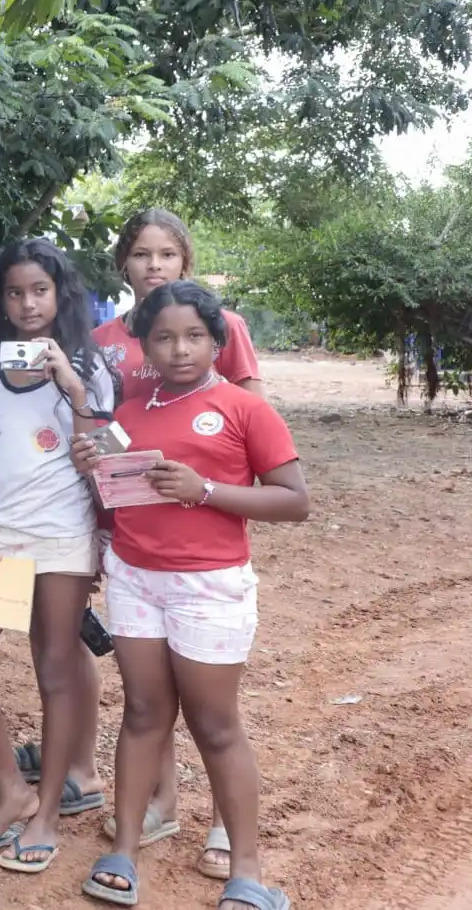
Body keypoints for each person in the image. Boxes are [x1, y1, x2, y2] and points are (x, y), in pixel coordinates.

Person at [18, 210, 266, 871]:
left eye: (166, 254)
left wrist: (207, 492)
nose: (153, 266)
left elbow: (247, 424)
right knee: (147, 696)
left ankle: (222, 825)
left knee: (212, 705)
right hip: (129, 535)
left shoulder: (224, 328)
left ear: (184, 262)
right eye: (140, 255)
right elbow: (107, 427)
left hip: (203, 538)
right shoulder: (104, 339)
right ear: (123, 264)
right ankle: (158, 803)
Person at [75, 280, 307, 910]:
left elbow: (294, 500)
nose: (179, 349)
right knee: (144, 714)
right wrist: (91, 468)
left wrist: (204, 490)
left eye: (194, 336)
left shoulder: (243, 408)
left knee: (215, 724)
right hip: (134, 578)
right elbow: (116, 497)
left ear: (216, 340)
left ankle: (248, 873)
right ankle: (124, 846)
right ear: (144, 345)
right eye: (164, 338)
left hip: (208, 584)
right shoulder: (129, 410)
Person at [0, 239, 116, 871]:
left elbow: (106, 446)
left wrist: (70, 381)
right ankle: (13, 790)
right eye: (13, 293)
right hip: (4, 541)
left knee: (54, 669)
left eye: (38, 291)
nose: (25, 304)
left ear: (60, 293)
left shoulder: (90, 366)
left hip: (64, 537)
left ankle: (45, 811)